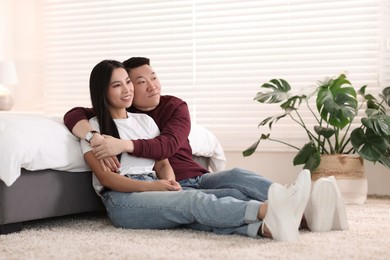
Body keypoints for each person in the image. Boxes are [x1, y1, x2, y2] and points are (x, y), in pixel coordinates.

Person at [64, 57, 348, 233]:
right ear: (104, 92)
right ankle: (273, 210)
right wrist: (94, 136)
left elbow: (164, 153)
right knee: (195, 202)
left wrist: (158, 174)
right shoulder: (95, 126)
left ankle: (287, 220)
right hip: (130, 195)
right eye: (123, 84)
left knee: (230, 186)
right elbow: (104, 173)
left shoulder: (159, 116)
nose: (139, 87)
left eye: (131, 82)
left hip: (175, 181)